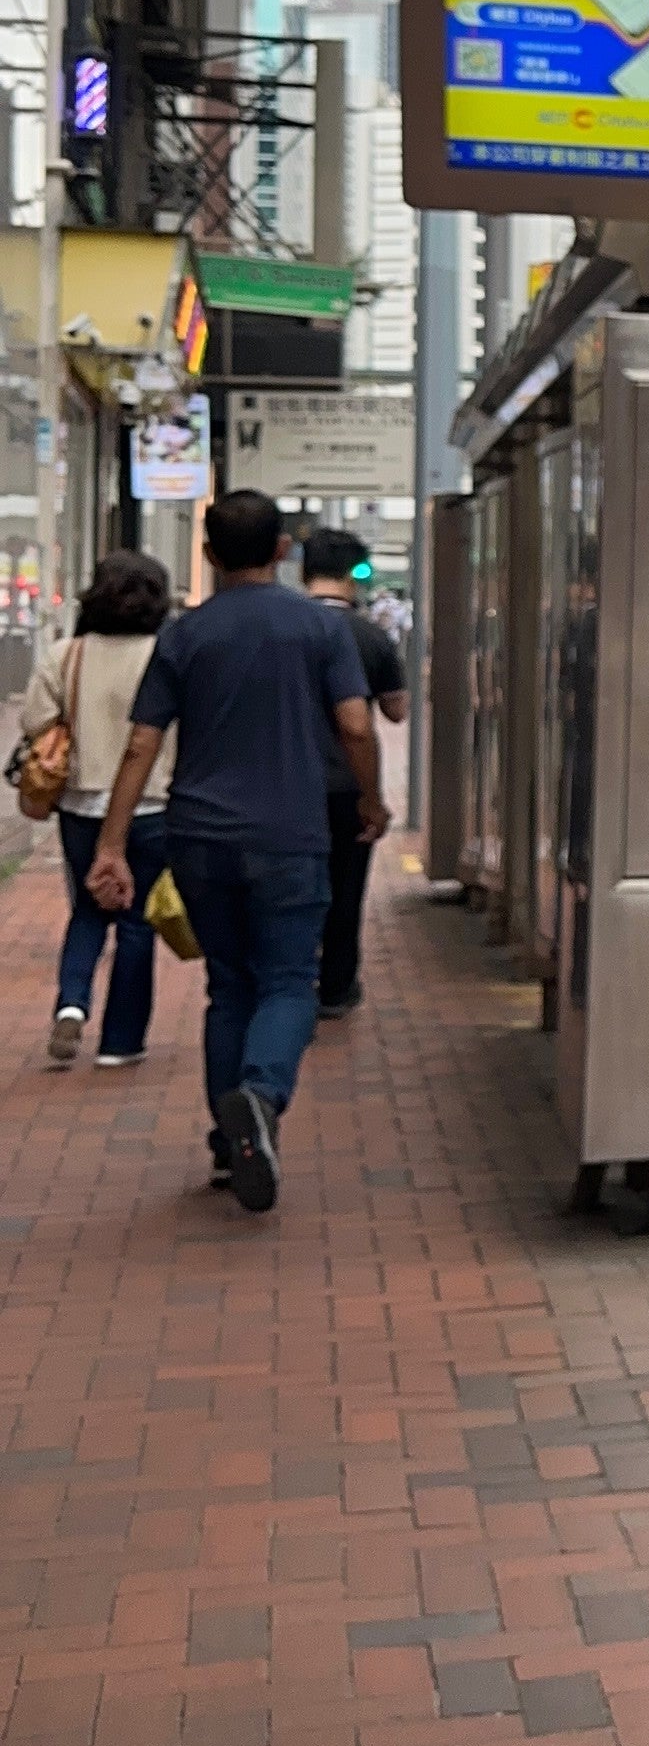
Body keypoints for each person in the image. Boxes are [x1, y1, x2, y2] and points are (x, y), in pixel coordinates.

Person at [89, 485, 384, 1215]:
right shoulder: (319, 631)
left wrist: (112, 844)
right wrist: (371, 800)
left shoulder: (185, 635)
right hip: (290, 834)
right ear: (282, 550)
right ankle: (260, 1094)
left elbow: (141, 743)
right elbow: (354, 723)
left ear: (213, 555)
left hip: (198, 837)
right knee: (288, 982)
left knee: (229, 985)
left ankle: (229, 1151)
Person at [22, 549, 178, 1069]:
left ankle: (71, 1004)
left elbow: (35, 722)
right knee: (137, 922)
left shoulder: (68, 655)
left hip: (82, 804)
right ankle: (121, 1042)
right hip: (154, 804)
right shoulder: (170, 653)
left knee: (89, 908)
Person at [299, 528, 409, 1014]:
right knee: (345, 887)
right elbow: (395, 712)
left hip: (283, 780)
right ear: (355, 575)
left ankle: (290, 979)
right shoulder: (370, 634)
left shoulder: (286, 627)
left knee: (291, 887)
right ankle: (338, 986)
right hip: (346, 783)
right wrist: (374, 798)